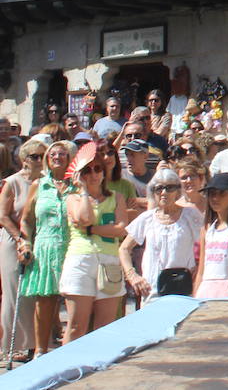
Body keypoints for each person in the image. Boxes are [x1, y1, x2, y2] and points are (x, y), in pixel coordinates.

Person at [60, 142, 129, 343]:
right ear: (79, 174)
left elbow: (121, 229)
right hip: (81, 259)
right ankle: (65, 370)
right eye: (87, 170)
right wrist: (83, 191)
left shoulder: (117, 196)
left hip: (109, 261)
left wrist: (91, 230)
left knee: (105, 327)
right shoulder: (73, 198)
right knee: (76, 326)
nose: (94, 174)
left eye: (98, 168)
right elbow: (85, 218)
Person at [19, 141, 72, 358]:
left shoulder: (78, 185)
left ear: (69, 159)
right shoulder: (38, 185)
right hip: (45, 247)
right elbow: (26, 220)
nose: (57, 157)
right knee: (45, 301)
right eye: (53, 154)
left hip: (72, 247)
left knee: (74, 302)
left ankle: (72, 349)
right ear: (47, 160)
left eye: (62, 154)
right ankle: (41, 351)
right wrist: (25, 244)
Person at [120, 167, 201, 300]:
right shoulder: (146, 218)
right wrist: (132, 276)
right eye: (159, 188)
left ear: (177, 190)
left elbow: (209, 242)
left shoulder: (191, 215)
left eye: (169, 187)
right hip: (152, 289)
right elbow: (124, 248)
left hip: (183, 287)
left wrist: (199, 267)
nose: (164, 192)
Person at [1, 140, 47, 362]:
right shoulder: (12, 182)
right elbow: (3, 215)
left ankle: (32, 344)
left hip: (40, 240)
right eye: (35, 156)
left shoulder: (46, 182)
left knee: (33, 292)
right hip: (13, 240)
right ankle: (12, 346)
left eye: (42, 155)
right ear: (25, 159)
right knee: (13, 292)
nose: (40, 160)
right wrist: (20, 238)